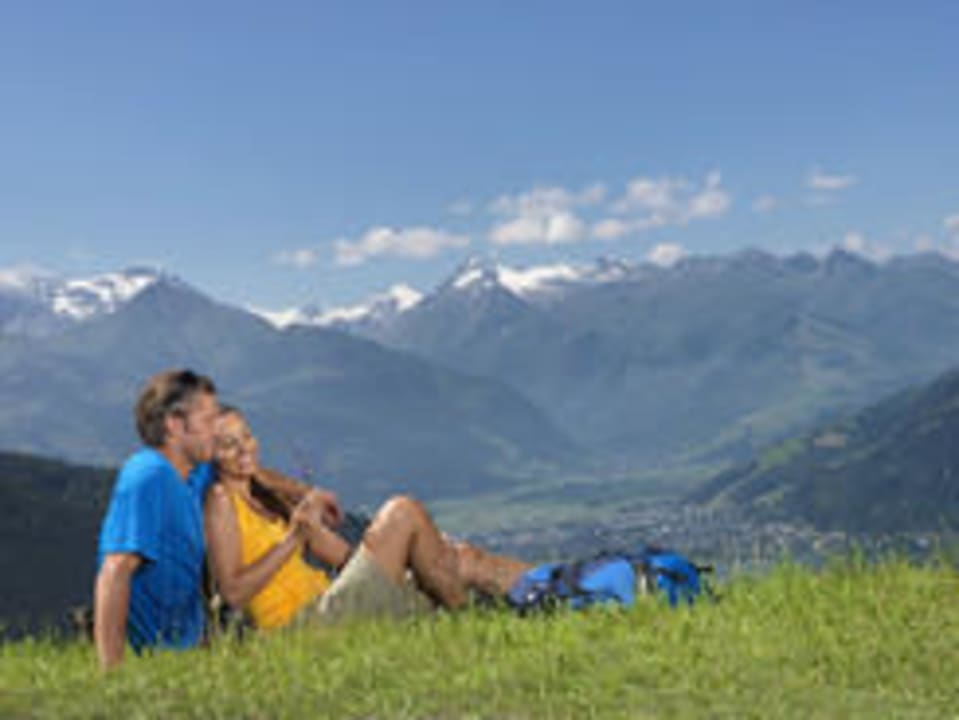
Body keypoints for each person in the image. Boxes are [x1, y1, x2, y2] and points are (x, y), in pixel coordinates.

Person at [205, 406, 531, 629]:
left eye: (246, 437)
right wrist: (294, 538)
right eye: (228, 444)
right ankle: (471, 623)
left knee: (459, 557)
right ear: (210, 452)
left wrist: (390, 567)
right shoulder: (221, 501)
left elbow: (337, 553)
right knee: (402, 512)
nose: (244, 449)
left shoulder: (265, 494)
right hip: (302, 625)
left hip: (330, 599)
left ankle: (556, 583)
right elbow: (233, 593)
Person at [93, 369, 324, 669]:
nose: (216, 431)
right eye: (207, 420)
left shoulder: (192, 472)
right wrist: (112, 672)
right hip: (162, 658)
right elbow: (115, 570)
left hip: (199, 648)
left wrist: (307, 491)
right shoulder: (148, 476)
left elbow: (247, 470)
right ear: (175, 424)